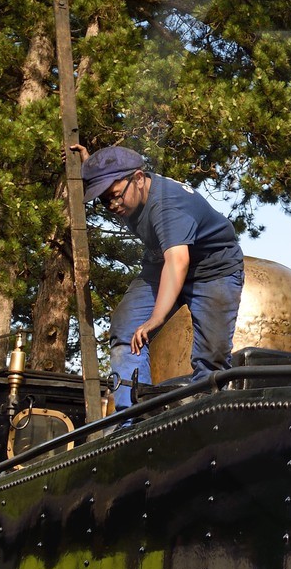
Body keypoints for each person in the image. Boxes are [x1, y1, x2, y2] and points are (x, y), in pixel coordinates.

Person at [73, 144, 245, 410]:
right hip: (161, 263)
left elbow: (178, 262)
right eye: (105, 200)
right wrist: (90, 166)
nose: (113, 206)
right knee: (126, 330)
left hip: (214, 270)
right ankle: (131, 418)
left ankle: (205, 413)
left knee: (211, 358)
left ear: (139, 178)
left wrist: (156, 317)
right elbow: (170, 260)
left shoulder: (167, 206)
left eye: (115, 196)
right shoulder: (126, 189)